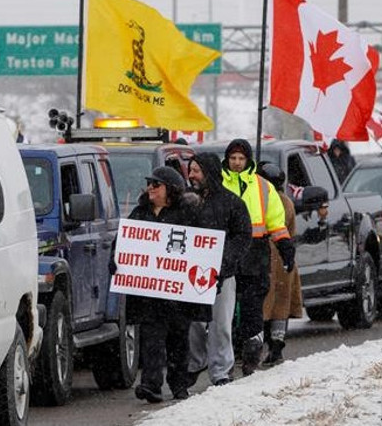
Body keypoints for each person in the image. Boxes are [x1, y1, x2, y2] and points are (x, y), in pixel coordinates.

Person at [109, 166, 210, 403]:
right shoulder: (140, 213)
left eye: (156, 185)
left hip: (178, 295)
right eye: (149, 184)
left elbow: (201, 249)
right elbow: (123, 242)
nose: (150, 188)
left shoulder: (188, 215)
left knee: (178, 340)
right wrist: (116, 260)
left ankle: (179, 385)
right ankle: (151, 385)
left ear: (170, 190)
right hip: (149, 295)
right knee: (152, 340)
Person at [220, 139, 295, 376]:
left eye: (241, 159)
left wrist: (285, 247)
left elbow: (276, 222)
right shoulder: (218, 184)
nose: (237, 163)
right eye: (233, 158)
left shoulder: (264, 187)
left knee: (253, 308)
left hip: (255, 254)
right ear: (227, 159)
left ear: (248, 160)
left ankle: (251, 356)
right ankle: (228, 357)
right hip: (226, 255)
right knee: (226, 311)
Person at [186, 153, 252, 387]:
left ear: (209, 172)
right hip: (189, 275)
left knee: (220, 324)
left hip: (222, 275)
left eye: (196, 171)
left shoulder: (232, 203)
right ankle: (194, 364)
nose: (191, 175)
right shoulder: (186, 202)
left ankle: (221, 371)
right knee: (192, 323)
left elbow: (243, 236)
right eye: (190, 170)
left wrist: (224, 262)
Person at [257, 162, 303, 367]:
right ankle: (276, 345)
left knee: (268, 304)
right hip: (283, 260)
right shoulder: (286, 201)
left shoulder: (272, 201)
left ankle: (272, 346)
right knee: (279, 305)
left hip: (272, 258)